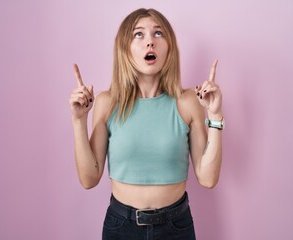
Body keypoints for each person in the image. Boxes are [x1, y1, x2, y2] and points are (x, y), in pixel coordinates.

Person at [69, 8, 224, 240]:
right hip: (121, 227)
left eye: (158, 34)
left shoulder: (187, 102)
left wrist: (215, 115)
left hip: (176, 227)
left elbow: (208, 178)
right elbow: (89, 179)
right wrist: (79, 120)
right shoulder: (107, 102)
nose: (150, 41)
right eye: (138, 34)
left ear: (169, 46)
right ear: (125, 48)